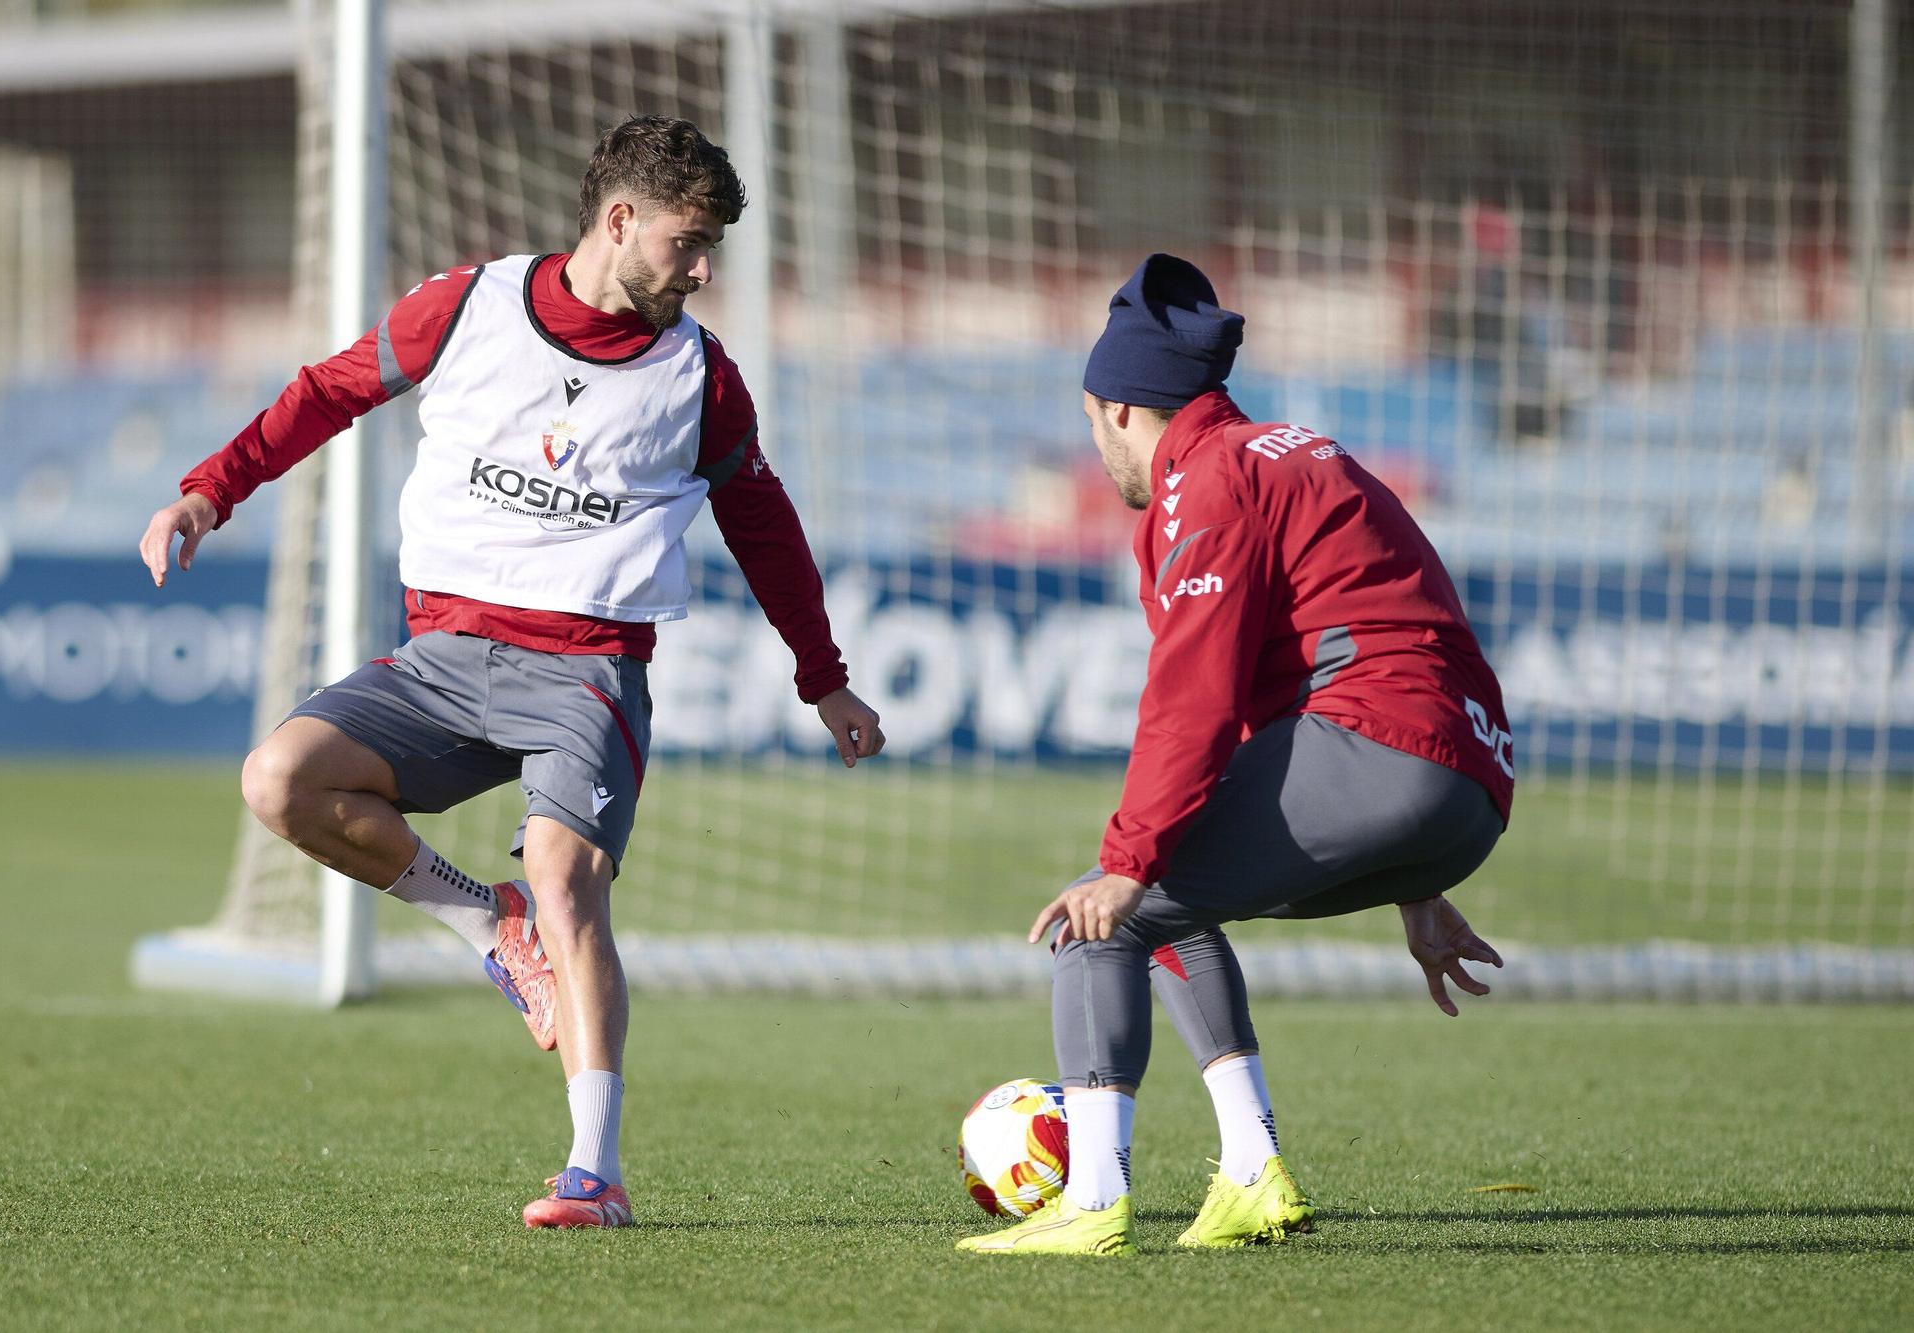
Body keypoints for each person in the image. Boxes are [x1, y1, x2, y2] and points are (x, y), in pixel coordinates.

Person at [139, 116, 884, 1231]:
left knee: (567, 876)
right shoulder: (465, 307)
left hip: (585, 671)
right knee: (278, 782)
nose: (703, 267)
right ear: (618, 220)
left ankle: (595, 1169)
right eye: (688, 241)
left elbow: (762, 523)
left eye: (712, 246)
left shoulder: (701, 378)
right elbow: (327, 390)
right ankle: (490, 927)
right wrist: (211, 487)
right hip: (438, 661)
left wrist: (821, 675)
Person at [958, 255, 1512, 1257]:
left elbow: (1191, 699)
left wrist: (1124, 859)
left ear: (1119, 408)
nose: (1098, 453)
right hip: (1464, 781)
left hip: (1380, 746)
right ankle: (1251, 1174)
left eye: (1093, 428)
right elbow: (1354, 648)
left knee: (1100, 919)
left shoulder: (1205, 480)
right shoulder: (1292, 453)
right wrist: (1419, 884)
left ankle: (1090, 1202)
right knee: (1171, 891)